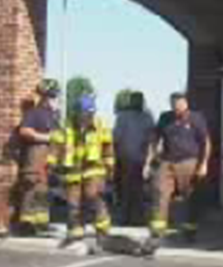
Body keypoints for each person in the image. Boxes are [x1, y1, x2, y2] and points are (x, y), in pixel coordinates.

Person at [147, 92, 213, 252]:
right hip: (168, 161)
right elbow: (154, 139)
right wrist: (150, 160)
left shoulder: (196, 118)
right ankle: (157, 232)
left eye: (179, 106)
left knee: (189, 198)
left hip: (189, 162)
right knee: (160, 193)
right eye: (173, 106)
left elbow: (206, 142)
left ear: (185, 104)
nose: (177, 110)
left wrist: (203, 164)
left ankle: (190, 231)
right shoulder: (165, 118)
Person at [50, 94, 115, 251]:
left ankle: (102, 232)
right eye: (85, 113)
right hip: (73, 169)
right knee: (73, 203)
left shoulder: (100, 125)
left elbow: (108, 149)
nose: (87, 117)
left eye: (90, 113)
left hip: (94, 169)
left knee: (93, 197)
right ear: (78, 112)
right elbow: (56, 146)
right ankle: (76, 232)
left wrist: (110, 169)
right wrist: (51, 163)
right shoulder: (66, 126)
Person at [15, 80, 62, 235]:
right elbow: (24, 131)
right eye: (54, 96)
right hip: (35, 156)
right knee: (32, 187)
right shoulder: (34, 113)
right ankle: (26, 224)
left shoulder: (53, 115)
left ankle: (41, 223)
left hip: (48, 157)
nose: (56, 99)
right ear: (46, 96)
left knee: (44, 189)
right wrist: (46, 137)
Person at [113, 92, 156, 226]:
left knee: (134, 189)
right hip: (128, 158)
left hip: (135, 159)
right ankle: (129, 217)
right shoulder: (127, 116)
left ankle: (133, 218)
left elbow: (151, 141)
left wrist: (148, 161)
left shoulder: (126, 117)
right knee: (130, 189)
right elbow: (116, 138)